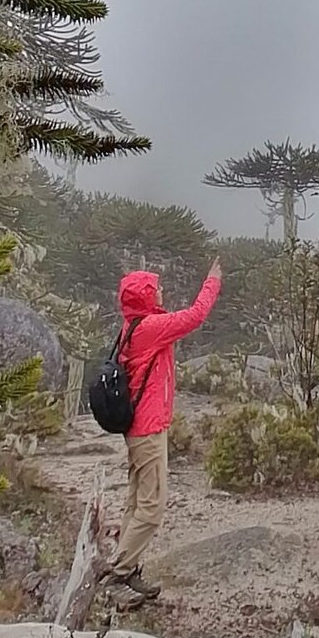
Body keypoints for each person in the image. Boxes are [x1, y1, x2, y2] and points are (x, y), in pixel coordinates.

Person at [105, 256, 222, 608]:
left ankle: (128, 567)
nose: (161, 291)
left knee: (136, 502)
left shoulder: (133, 325)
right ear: (145, 296)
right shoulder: (150, 328)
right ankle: (117, 576)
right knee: (152, 507)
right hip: (148, 429)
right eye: (155, 289)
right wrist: (213, 281)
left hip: (138, 428)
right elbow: (195, 316)